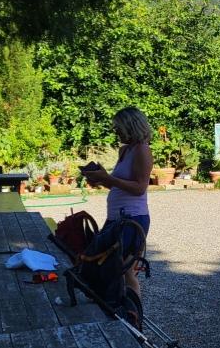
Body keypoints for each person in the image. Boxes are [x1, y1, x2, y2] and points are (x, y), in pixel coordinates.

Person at [82, 106, 153, 299]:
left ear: (131, 126)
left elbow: (140, 188)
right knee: (110, 266)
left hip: (133, 218)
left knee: (125, 270)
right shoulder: (125, 150)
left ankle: (133, 312)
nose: (116, 131)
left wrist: (108, 178)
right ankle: (118, 307)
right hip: (116, 218)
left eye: (118, 126)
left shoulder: (142, 150)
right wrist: (100, 180)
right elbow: (118, 184)